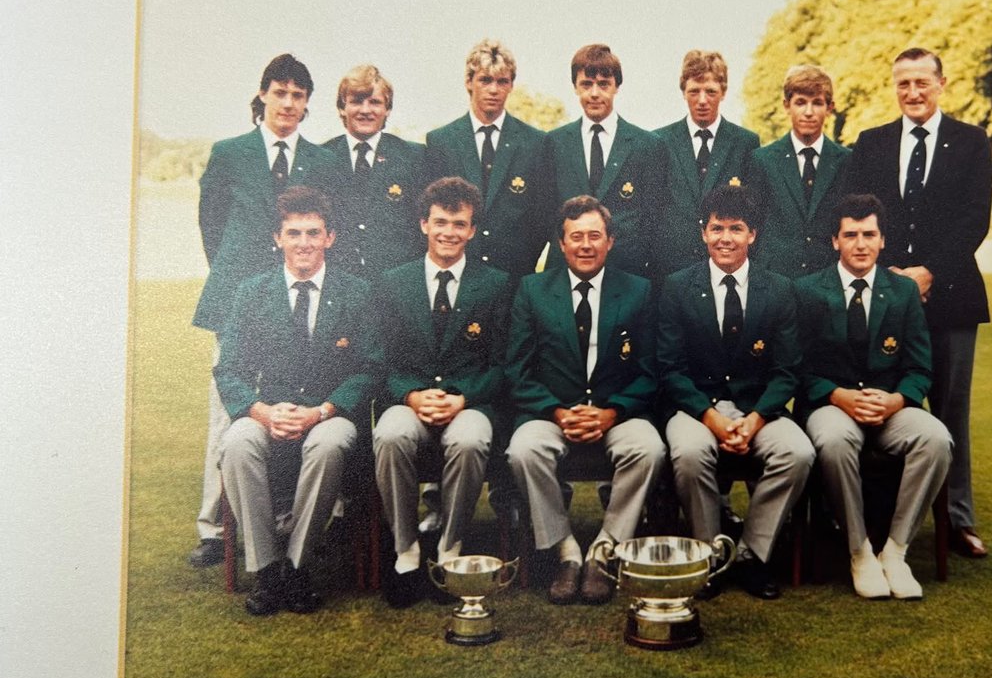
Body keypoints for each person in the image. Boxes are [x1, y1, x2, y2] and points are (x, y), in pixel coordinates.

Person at [189, 54, 340, 569]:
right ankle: (214, 527)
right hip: (240, 298)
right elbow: (211, 225)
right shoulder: (230, 153)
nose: (289, 103)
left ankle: (300, 515)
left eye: (299, 95)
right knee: (229, 408)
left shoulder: (321, 160)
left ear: (307, 103)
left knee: (301, 401)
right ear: (263, 95)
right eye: (281, 92)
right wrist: (242, 281)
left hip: (299, 294)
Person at [848, 48, 992, 558]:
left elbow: (975, 218)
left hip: (952, 298)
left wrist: (930, 272)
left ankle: (957, 518)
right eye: (903, 83)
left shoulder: (971, 142)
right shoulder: (871, 142)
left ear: (941, 84)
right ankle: (882, 516)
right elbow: (858, 214)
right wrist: (889, 275)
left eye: (921, 82)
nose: (912, 92)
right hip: (886, 297)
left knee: (951, 409)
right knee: (889, 406)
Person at [214, 187, 382, 616]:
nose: (304, 243)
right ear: (277, 238)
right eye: (293, 233)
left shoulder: (358, 293)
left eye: (313, 232)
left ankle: (297, 565)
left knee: (329, 443)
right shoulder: (250, 293)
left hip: (329, 413)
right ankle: (267, 569)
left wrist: (322, 411)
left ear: (330, 237)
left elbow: (371, 368)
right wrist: (260, 411)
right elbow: (228, 369)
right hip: (269, 411)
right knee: (237, 443)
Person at [658, 184, 814, 600]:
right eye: (717, 228)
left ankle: (750, 555)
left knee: (798, 453)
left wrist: (757, 418)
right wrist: (709, 417)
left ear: (753, 234)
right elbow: (670, 369)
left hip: (758, 409)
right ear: (703, 232)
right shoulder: (677, 286)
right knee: (689, 453)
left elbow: (788, 370)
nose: (725, 238)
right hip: (696, 408)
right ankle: (710, 555)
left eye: (736, 228)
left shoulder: (779, 289)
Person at [506, 196, 665, 604]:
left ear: (610, 241)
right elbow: (517, 370)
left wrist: (612, 412)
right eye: (576, 237)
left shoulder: (638, 291)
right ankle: (566, 551)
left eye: (595, 236)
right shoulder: (533, 290)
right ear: (561, 243)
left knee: (648, 448)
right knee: (524, 450)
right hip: (553, 411)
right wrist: (557, 412)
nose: (586, 245)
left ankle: (604, 550)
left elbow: (650, 371)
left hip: (616, 411)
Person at [795, 194, 953, 599]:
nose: (861, 244)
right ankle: (860, 551)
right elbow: (797, 368)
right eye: (851, 235)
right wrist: (839, 396)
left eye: (869, 234)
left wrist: (896, 401)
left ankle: (895, 551)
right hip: (832, 404)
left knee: (936, 439)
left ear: (883, 240)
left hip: (890, 406)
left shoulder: (902, 292)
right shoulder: (807, 291)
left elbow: (920, 368)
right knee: (834, 441)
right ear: (835, 241)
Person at [372, 178, 512, 607]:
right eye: (440, 222)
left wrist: (464, 397)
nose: (449, 232)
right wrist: (411, 395)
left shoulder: (496, 283)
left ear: (472, 230)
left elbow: (504, 364)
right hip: (410, 399)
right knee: (390, 435)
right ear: (423, 224)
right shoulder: (392, 282)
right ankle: (406, 551)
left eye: (459, 223)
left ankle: (450, 549)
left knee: (470, 440)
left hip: (468, 402)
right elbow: (380, 361)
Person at [425, 39, 553, 277]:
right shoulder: (442, 141)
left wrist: (522, 260)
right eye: (485, 80)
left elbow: (543, 216)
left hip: (514, 274)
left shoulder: (535, 143)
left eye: (502, 81)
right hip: (459, 273)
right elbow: (432, 212)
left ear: (511, 85)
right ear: (469, 82)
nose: (494, 90)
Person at [542, 44, 668, 276]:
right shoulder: (554, 143)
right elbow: (545, 214)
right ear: (575, 87)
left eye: (603, 84)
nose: (594, 93)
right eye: (586, 84)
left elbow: (654, 219)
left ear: (616, 86)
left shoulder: (647, 145)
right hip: (565, 273)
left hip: (626, 274)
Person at [653, 50, 760, 280]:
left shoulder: (745, 143)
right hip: (671, 269)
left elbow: (753, 211)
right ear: (683, 92)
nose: (702, 100)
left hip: (726, 268)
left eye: (710, 91)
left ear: (723, 92)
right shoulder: (660, 142)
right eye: (694, 91)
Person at [321, 63, 428, 280]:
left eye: (375, 102)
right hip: (339, 282)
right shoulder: (322, 158)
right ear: (342, 108)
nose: (365, 110)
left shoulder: (413, 157)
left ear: (387, 109)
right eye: (356, 101)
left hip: (396, 281)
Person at [749, 64, 851, 279]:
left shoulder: (846, 161)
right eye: (800, 102)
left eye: (817, 103)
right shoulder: (763, 160)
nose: (808, 112)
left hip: (829, 279)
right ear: (787, 105)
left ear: (830, 108)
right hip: (776, 278)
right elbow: (752, 225)